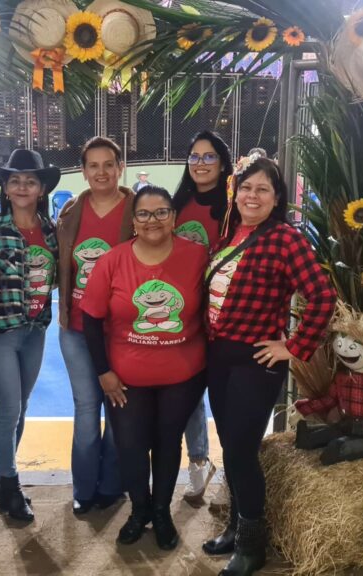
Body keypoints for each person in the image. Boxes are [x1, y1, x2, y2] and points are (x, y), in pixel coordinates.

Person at [202, 158, 336, 576]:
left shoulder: (285, 239)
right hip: (219, 358)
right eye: (246, 187)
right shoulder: (228, 234)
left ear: (277, 198)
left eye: (262, 189)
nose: (252, 196)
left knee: (242, 451)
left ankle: (252, 545)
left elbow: (322, 296)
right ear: (235, 192)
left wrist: (293, 346)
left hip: (255, 362)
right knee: (231, 447)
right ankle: (235, 527)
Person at [80, 186, 209, 550]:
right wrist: (103, 372)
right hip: (126, 379)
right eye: (144, 213)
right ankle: (140, 511)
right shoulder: (112, 261)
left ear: (174, 217)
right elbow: (91, 320)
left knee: (168, 443)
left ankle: (162, 512)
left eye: (161, 212)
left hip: (182, 375)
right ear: (133, 221)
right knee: (131, 445)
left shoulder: (198, 257)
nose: (153, 220)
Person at [0, 149, 61, 524]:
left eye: (30, 181)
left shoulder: (52, 232)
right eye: (15, 180)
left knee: (22, 407)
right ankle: (11, 486)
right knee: (8, 409)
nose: (23, 186)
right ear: (6, 188)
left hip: (35, 330)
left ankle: (1, 475)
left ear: (41, 189)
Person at [57, 137, 135, 515]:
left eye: (108, 164)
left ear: (120, 167)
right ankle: (84, 488)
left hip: (122, 330)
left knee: (119, 409)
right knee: (86, 408)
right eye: (93, 165)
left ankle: (112, 485)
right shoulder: (71, 212)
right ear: (83, 171)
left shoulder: (137, 209)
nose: (101, 172)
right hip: (76, 329)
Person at [171, 130, 234, 504]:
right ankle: (198, 462)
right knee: (188, 393)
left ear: (223, 163)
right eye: (194, 156)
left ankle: (234, 473)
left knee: (226, 399)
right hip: (185, 315)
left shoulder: (234, 209)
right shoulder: (176, 204)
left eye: (209, 156)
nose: (200, 163)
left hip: (226, 318)